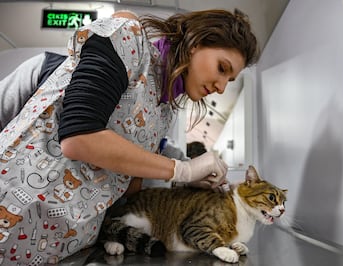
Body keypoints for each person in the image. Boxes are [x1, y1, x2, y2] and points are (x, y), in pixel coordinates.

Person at [0, 8, 259, 264]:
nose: (221, 88)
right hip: (12, 214)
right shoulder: (129, 39)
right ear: (195, 43)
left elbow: (126, 187)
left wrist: (188, 183)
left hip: (64, 244)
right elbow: (79, 136)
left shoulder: (164, 110)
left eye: (230, 80)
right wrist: (182, 170)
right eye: (222, 68)